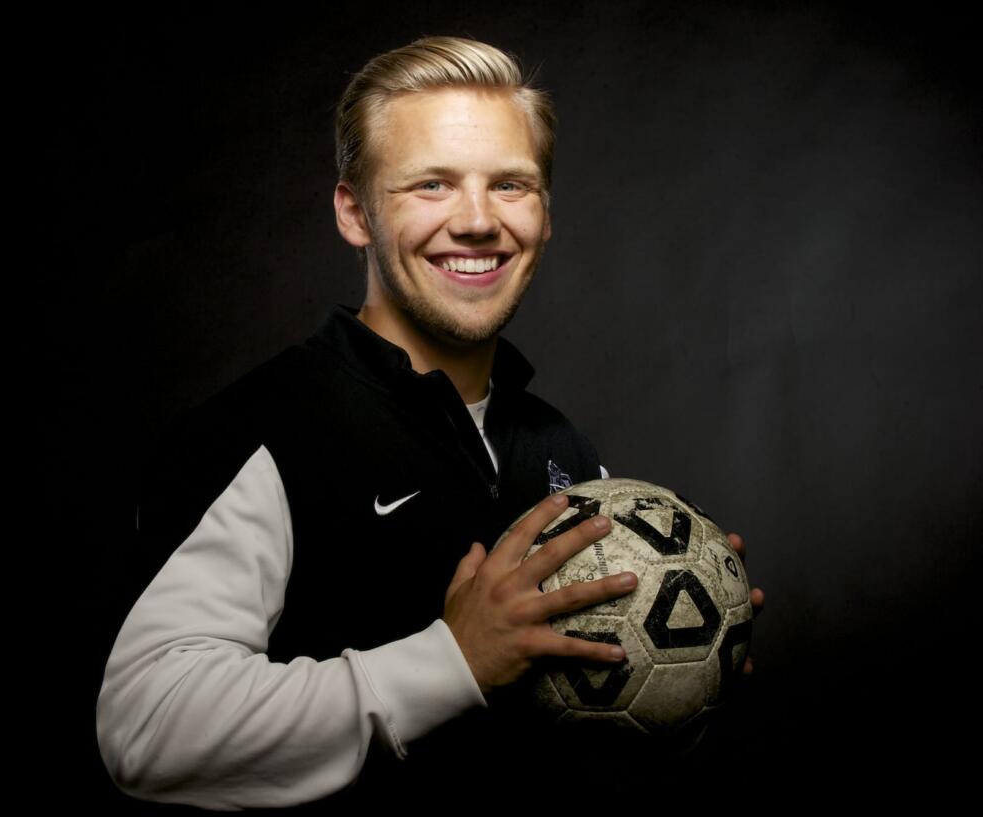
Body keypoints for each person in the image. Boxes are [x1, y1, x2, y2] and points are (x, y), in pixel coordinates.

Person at [96, 35, 763, 811]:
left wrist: (687, 654)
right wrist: (452, 661)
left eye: (511, 184)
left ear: (545, 214)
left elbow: (579, 726)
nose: (478, 221)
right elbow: (145, 727)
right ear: (356, 212)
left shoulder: (564, 450)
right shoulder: (259, 433)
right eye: (432, 185)